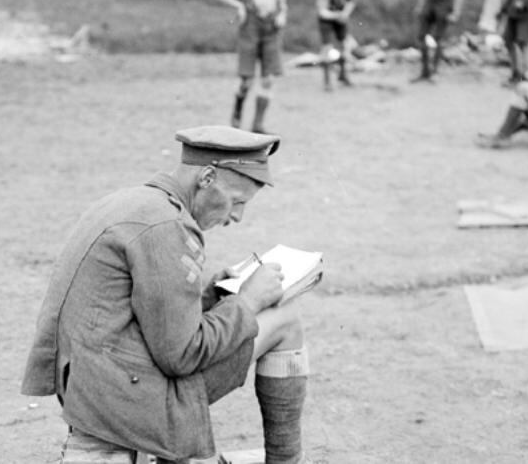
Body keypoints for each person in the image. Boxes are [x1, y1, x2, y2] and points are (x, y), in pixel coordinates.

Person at [22, 126, 313, 464]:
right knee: (285, 319)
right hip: (125, 400)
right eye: (237, 202)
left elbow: (139, 314)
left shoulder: (135, 202)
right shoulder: (166, 226)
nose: (237, 217)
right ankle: (285, 460)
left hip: (92, 388)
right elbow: (182, 355)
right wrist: (248, 301)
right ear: (206, 177)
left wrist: (207, 297)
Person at [211, 0, 288, 133]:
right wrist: (238, 5)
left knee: (268, 78)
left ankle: (258, 125)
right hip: (251, 28)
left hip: (270, 31)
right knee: (246, 80)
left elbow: (283, 7)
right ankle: (236, 117)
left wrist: (281, 17)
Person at [316, 0, 358, 91]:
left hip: (341, 16)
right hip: (327, 18)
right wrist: (336, 15)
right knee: (327, 49)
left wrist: (345, 13)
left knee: (344, 46)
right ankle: (327, 80)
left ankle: (343, 75)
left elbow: (352, 1)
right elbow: (322, 10)